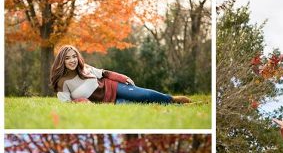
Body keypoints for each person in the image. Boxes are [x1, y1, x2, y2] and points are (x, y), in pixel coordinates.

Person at [50, 45, 192, 104]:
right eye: (67, 58)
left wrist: (123, 78)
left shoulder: (85, 68)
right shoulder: (62, 83)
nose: (72, 60)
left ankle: (173, 100)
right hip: (107, 101)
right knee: (139, 104)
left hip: (114, 87)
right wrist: (81, 101)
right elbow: (66, 104)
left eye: (74, 56)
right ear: (62, 61)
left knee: (146, 95)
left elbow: (104, 73)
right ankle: (176, 106)